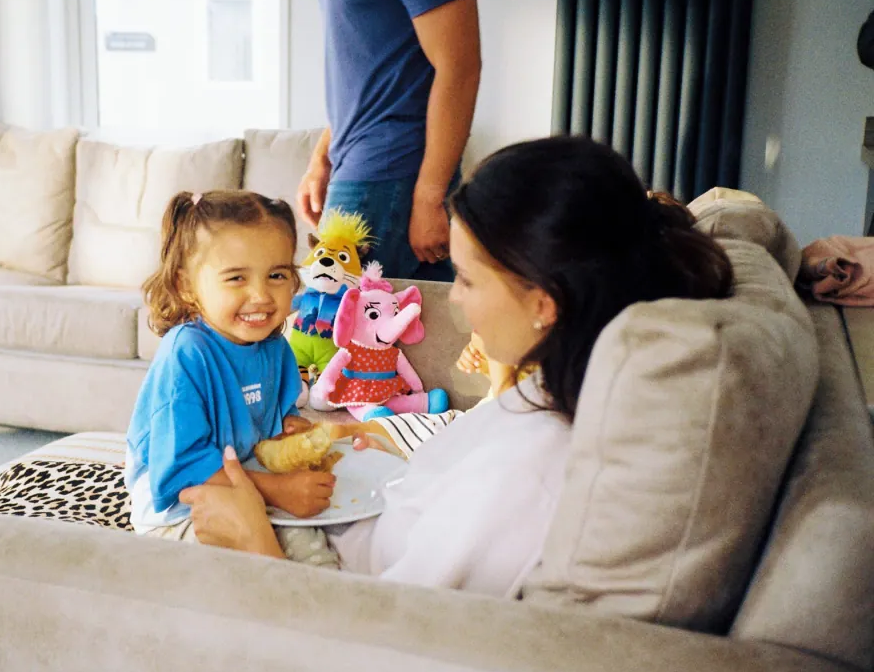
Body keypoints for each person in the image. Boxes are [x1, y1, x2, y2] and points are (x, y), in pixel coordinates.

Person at [180, 136, 734, 596]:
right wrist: (376, 449)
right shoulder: (546, 389)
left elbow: (383, 638)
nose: (453, 299)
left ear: (544, 303)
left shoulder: (526, 476)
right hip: (342, 522)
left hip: (313, 581)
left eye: (466, 279)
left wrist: (254, 544)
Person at [125, 190, 340, 568]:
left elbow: (278, 414)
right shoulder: (186, 354)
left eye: (276, 275)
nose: (260, 295)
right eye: (237, 278)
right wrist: (277, 491)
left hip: (248, 478)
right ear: (186, 286)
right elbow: (182, 466)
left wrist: (291, 430)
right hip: (183, 506)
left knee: (317, 549)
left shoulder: (274, 345)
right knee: (237, 569)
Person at [298, 0, 482, 282]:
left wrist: (429, 196)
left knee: (332, 313)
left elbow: (460, 66)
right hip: (360, 170)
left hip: (389, 175)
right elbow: (367, 67)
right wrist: (322, 157)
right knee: (359, 318)